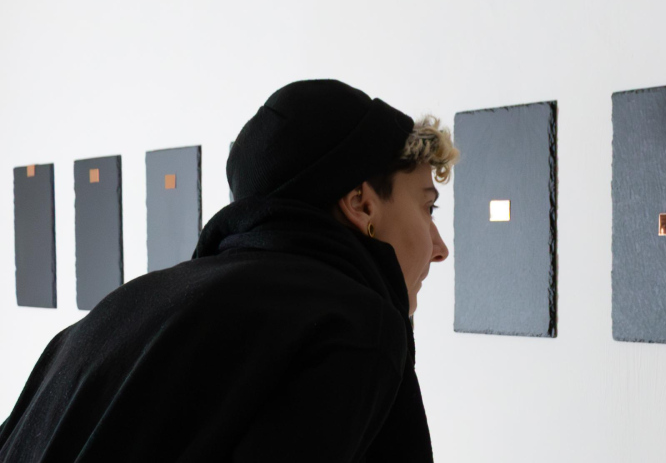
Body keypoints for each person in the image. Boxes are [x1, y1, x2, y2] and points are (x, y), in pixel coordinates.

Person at [0, 79, 459, 462]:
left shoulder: (121, 308)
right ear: (362, 204)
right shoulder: (353, 325)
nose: (439, 249)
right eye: (428, 207)